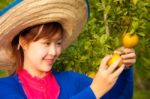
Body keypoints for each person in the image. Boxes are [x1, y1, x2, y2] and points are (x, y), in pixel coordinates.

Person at [0, 0, 136, 99]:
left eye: (58, 43)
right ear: (23, 42)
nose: (54, 52)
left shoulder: (73, 81)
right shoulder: (5, 88)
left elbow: (119, 96)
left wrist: (124, 68)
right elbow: (95, 92)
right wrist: (93, 92)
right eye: (46, 43)